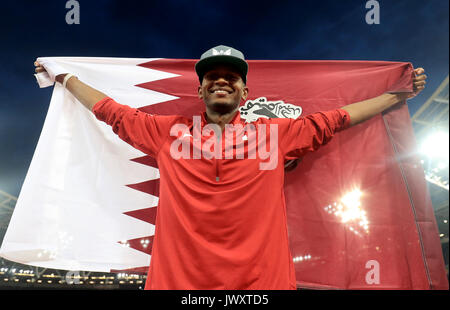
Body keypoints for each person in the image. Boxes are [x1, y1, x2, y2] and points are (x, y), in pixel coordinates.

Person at [34, 45, 427, 290]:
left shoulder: (275, 135)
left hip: (262, 285)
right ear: (200, 90)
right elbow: (109, 111)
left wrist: (396, 95)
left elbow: (338, 117)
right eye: (212, 78)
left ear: (244, 91)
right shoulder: (166, 132)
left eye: (232, 77)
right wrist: (65, 77)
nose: (222, 81)